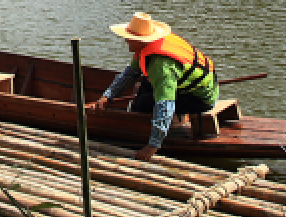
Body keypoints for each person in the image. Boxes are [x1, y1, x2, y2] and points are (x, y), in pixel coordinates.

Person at [91, 11, 219, 162]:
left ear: (140, 41)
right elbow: (129, 74)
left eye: (130, 38)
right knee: (143, 86)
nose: (126, 40)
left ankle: (147, 132)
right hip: (188, 86)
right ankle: (137, 120)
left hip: (200, 98)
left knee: (144, 103)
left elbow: (165, 104)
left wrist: (153, 145)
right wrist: (108, 96)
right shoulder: (146, 49)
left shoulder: (161, 65)